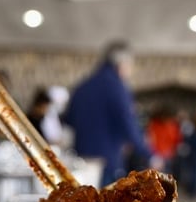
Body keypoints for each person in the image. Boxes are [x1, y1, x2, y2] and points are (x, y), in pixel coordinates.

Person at [65, 41, 156, 187]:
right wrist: (149, 154)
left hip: (82, 159)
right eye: (130, 65)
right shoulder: (118, 87)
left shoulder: (82, 86)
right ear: (122, 64)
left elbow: (69, 119)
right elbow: (128, 124)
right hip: (107, 162)